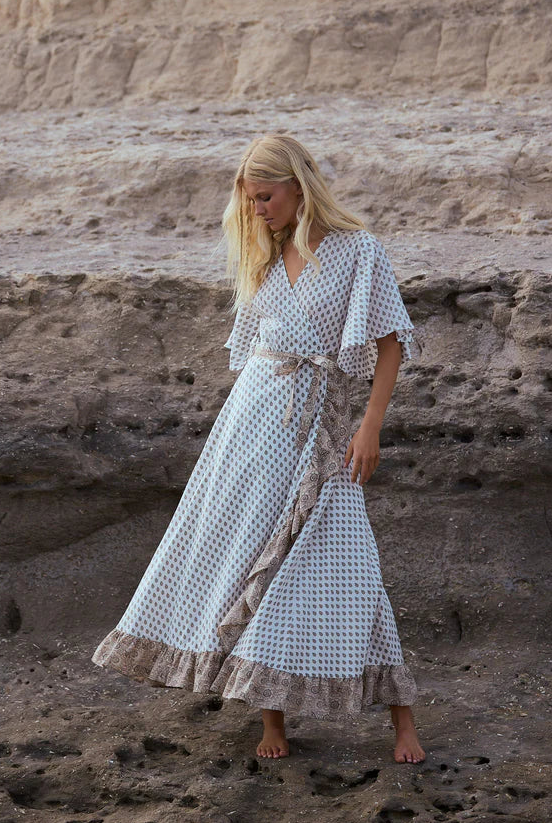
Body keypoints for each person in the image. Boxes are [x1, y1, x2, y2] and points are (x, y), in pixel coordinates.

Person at [92, 133, 426, 765]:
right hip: (250, 429)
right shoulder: (267, 259)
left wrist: (371, 425)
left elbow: (390, 343)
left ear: (300, 186)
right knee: (250, 560)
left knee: (351, 566)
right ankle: (270, 717)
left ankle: (401, 718)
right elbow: (254, 356)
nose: (256, 210)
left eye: (266, 197)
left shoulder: (358, 250)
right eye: (250, 200)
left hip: (320, 430)